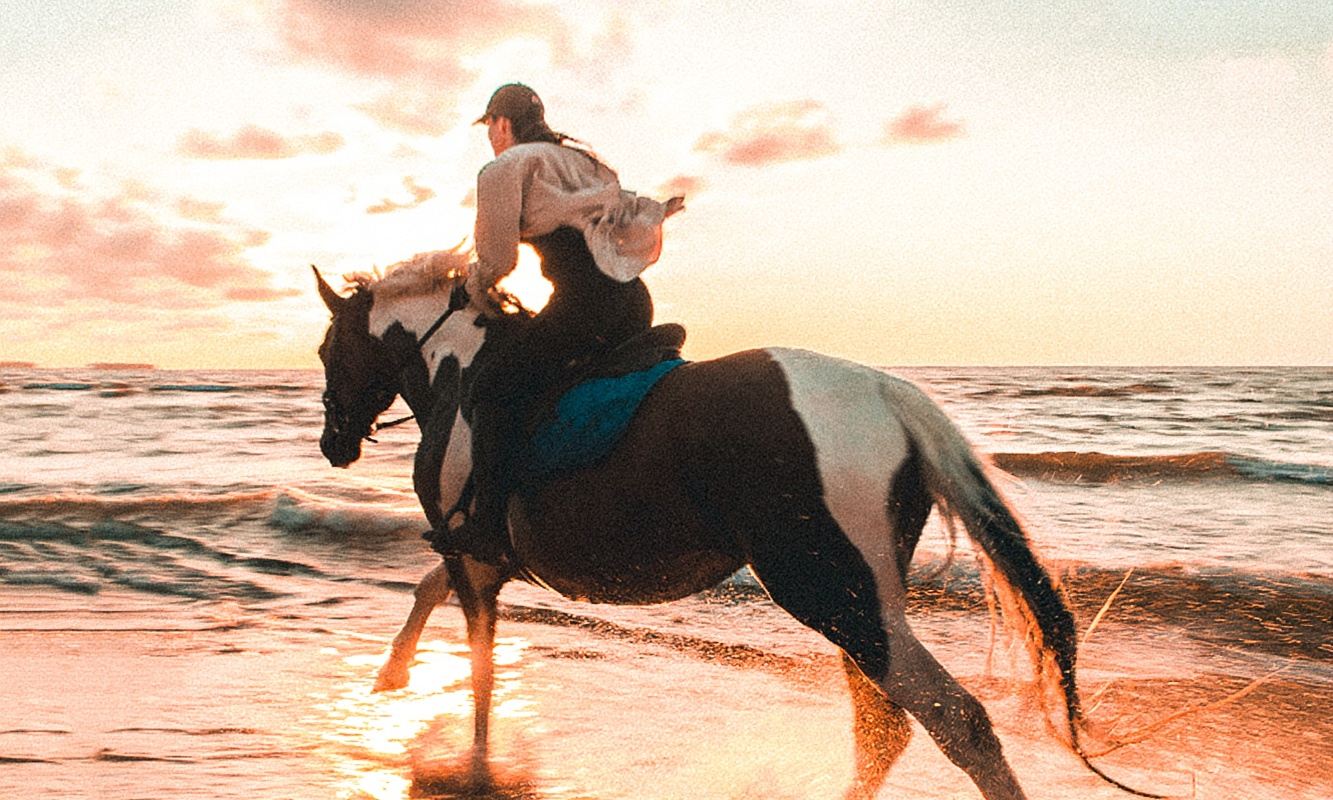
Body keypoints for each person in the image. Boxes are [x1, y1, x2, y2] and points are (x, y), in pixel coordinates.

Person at [439, 83, 684, 565]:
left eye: (490, 126)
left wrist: (470, 287)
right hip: (633, 302)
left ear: (502, 123)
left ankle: (490, 529)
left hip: (584, 306)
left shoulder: (504, 168)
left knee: (491, 388)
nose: (490, 137)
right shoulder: (583, 162)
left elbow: (498, 259)